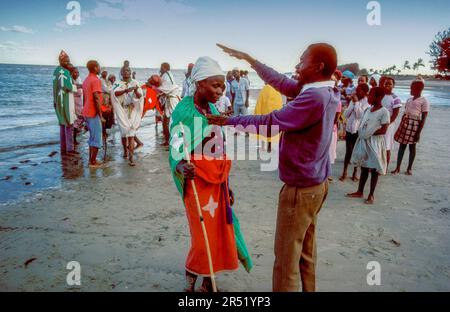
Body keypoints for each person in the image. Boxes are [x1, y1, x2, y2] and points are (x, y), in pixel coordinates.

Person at [209, 43, 339, 292]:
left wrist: (230, 120)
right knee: (305, 254)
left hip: (300, 191)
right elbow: (280, 81)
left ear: (318, 66)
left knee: (286, 261)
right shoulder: (324, 90)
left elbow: (272, 121)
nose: (296, 66)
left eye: (302, 61)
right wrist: (251, 59)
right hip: (317, 186)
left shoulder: (314, 96)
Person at [168, 56, 252, 292]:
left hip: (217, 181)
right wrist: (180, 165)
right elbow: (176, 143)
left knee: (217, 233)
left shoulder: (213, 110)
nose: (220, 91)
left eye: (222, 86)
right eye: (215, 86)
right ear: (199, 84)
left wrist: (228, 184)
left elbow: (220, 148)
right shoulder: (184, 111)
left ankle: (208, 283)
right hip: (196, 182)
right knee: (200, 235)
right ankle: (190, 282)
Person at [347, 87, 390, 204]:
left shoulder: (384, 111)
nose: (369, 97)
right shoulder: (368, 110)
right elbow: (363, 124)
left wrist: (368, 133)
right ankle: (360, 191)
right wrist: (362, 133)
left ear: (379, 97)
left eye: (371, 95)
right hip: (364, 142)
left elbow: (383, 130)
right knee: (364, 166)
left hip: (375, 143)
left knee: (374, 169)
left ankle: (371, 195)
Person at [391, 80, 429, 175]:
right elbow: (406, 112)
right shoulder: (409, 99)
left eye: (412, 88)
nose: (410, 89)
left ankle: (409, 168)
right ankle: (397, 167)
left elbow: (423, 118)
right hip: (405, 123)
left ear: (419, 89)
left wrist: (418, 133)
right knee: (402, 146)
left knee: (412, 147)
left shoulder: (424, 101)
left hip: (415, 125)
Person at [111, 67, 144, 166]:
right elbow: (114, 93)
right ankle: (125, 151)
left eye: (128, 71)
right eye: (124, 71)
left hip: (132, 110)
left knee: (131, 133)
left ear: (130, 72)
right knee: (123, 133)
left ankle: (131, 158)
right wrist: (125, 90)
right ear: (121, 73)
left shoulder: (135, 82)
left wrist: (135, 91)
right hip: (122, 110)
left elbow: (140, 97)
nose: (126, 72)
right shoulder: (117, 82)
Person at [340, 83, 370, 182]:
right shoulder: (353, 101)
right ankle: (344, 172)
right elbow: (346, 114)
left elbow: (359, 115)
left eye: (360, 90)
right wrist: (352, 105)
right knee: (348, 151)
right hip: (350, 128)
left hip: (359, 130)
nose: (357, 92)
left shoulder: (366, 102)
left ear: (365, 93)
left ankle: (355, 172)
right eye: (357, 90)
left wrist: (356, 103)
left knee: (357, 152)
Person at [53, 50, 77, 156]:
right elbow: (68, 87)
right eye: (66, 61)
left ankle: (63, 148)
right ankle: (70, 149)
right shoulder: (65, 72)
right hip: (66, 100)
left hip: (58, 100)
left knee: (62, 124)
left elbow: (55, 88)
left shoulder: (56, 71)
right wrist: (77, 87)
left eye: (68, 61)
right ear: (60, 61)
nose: (67, 63)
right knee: (69, 124)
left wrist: (54, 101)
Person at [82, 60, 105, 168]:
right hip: (93, 112)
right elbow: (96, 98)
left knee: (92, 137)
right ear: (95, 68)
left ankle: (91, 160)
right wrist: (100, 115)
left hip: (86, 111)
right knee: (96, 138)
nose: (100, 68)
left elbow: (85, 97)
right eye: (99, 66)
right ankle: (93, 162)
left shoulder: (86, 80)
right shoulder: (95, 80)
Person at [254, 83, 283, 152]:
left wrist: (257, 113)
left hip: (265, 113)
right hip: (274, 114)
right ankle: (269, 146)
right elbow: (279, 102)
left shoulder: (265, 89)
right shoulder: (277, 89)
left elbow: (259, 102)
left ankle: (263, 146)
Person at [382, 77, 402, 169]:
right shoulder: (381, 95)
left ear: (393, 85)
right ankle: (377, 165)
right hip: (378, 123)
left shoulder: (396, 98)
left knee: (386, 146)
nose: (387, 85)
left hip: (388, 125)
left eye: (390, 84)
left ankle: (385, 167)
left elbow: (395, 114)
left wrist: (386, 123)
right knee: (378, 145)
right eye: (386, 83)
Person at [159, 62, 180, 147]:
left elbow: (165, 88)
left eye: (161, 67)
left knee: (170, 121)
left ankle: (172, 141)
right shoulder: (168, 75)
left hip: (172, 100)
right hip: (170, 99)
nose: (160, 69)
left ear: (164, 68)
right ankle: (168, 140)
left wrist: (154, 88)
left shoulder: (166, 75)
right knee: (166, 121)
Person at [70, 67, 84, 146]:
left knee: (79, 119)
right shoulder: (70, 80)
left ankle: (75, 138)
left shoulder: (79, 79)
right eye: (75, 72)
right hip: (73, 102)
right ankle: (73, 139)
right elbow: (73, 87)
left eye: (77, 72)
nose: (77, 74)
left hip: (79, 102)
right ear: (71, 73)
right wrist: (81, 86)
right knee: (75, 120)